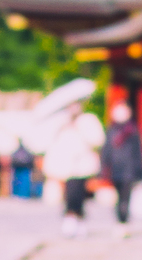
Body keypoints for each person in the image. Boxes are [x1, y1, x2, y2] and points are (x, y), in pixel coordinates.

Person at [42, 99, 105, 237]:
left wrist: (80, 129)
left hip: (82, 166)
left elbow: (97, 140)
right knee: (69, 194)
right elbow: (51, 142)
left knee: (79, 194)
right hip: (65, 166)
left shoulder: (88, 120)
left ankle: (77, 218)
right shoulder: (61, 122)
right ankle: (70, 218)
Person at [101, 100, 142, 235]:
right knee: (118, 198)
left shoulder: (132, 130)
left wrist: (141, 170)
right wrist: (103, 169)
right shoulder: (111, 130)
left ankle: (124, 221)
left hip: (129, 169)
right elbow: (106, 150)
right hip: (115, 168)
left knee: (126, 197)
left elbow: (138, 152)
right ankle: (120, 221)